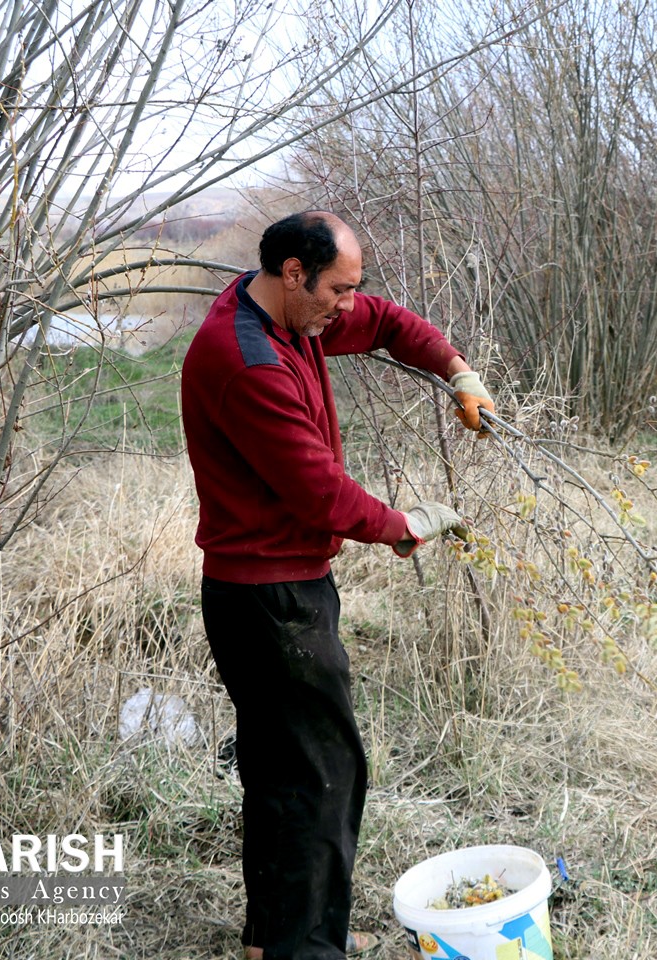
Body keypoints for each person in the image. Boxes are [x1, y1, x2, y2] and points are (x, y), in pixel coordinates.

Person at [181, 211, 494, 959]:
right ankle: (306, 951)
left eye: (351, 288)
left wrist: (457, 372)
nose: (348, 306)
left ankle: (275, 937)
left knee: (281, 771)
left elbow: (385, 322)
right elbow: (320, 493)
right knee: (323, 778)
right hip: (272, 602)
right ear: (294, 273)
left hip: (268, 592)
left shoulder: (288, 317)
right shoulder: (248, 359)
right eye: (337, 290)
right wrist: (403, 523)